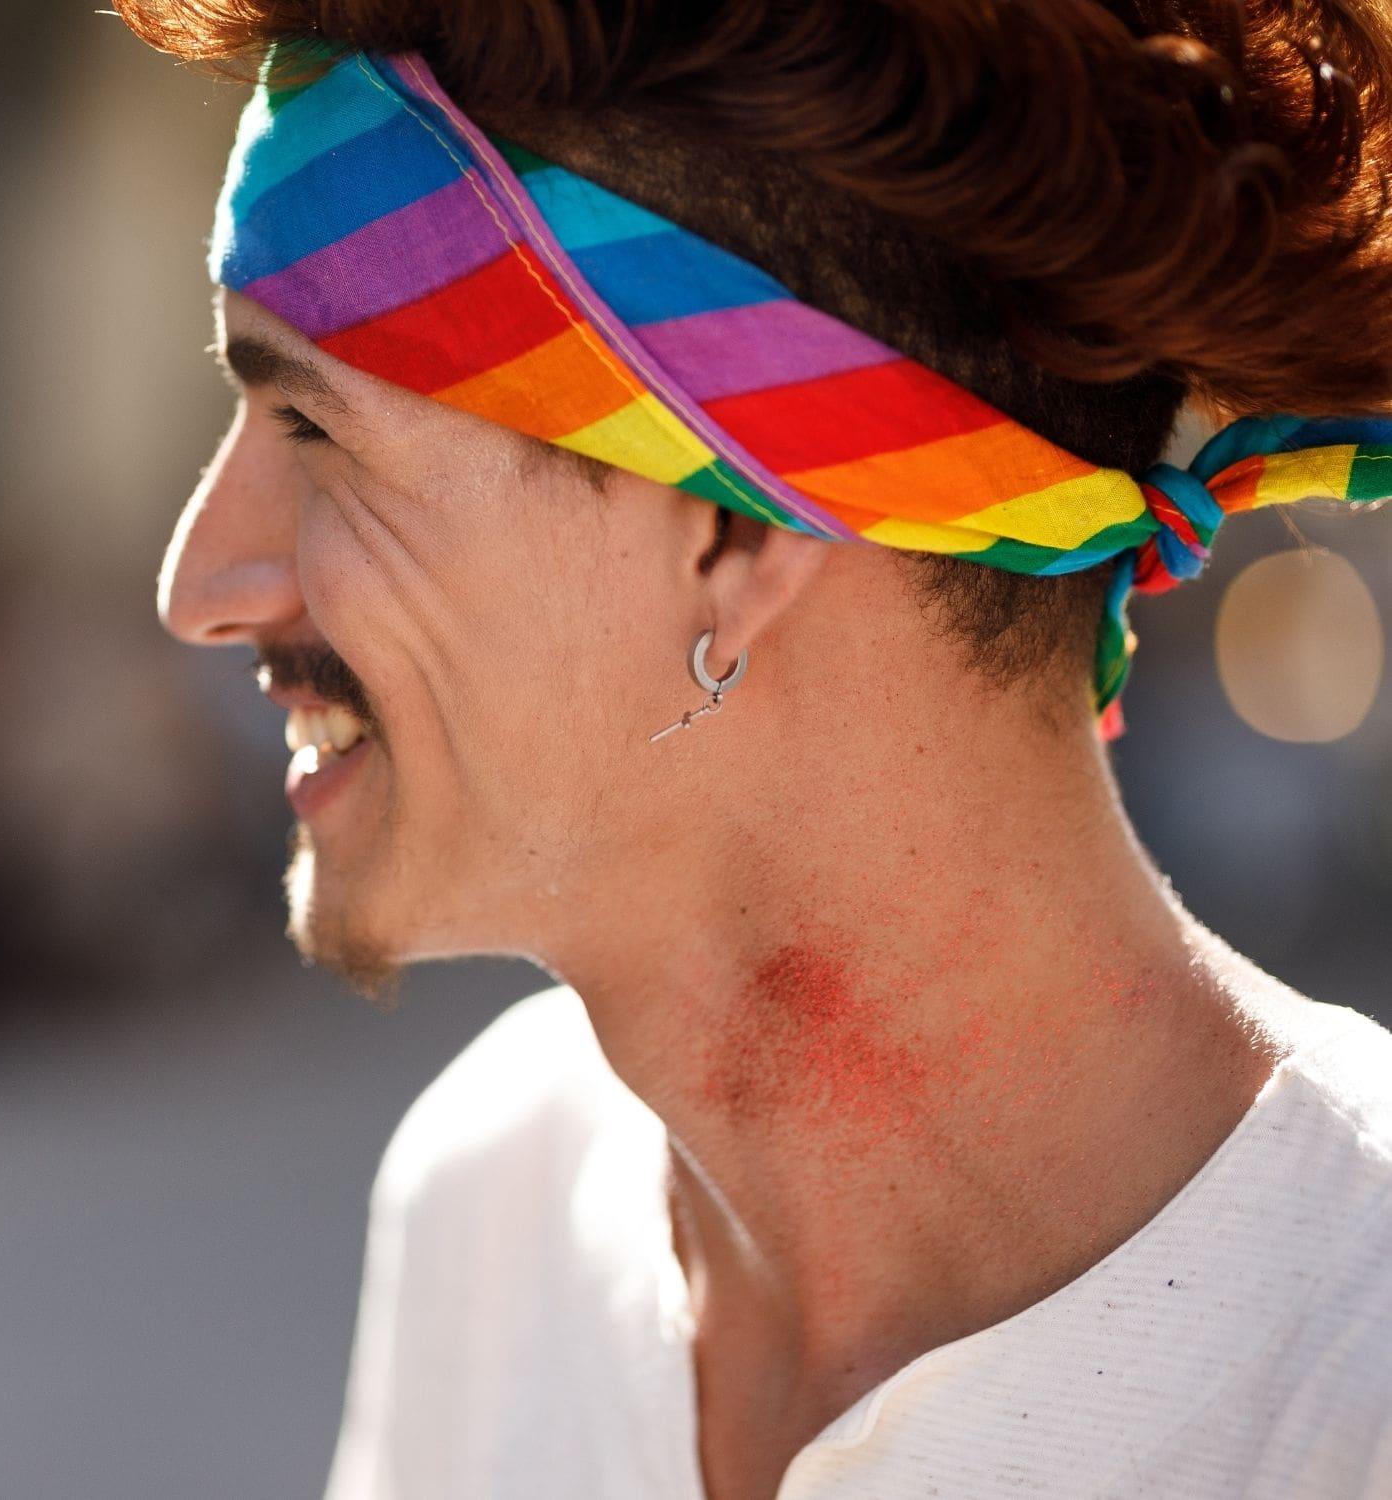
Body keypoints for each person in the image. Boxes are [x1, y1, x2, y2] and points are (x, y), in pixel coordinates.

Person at [116, 3, 1392, 1497]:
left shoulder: (1351, 1382)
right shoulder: (496, 1198)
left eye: (315, 433)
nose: (201, 585)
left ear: (734, 529)